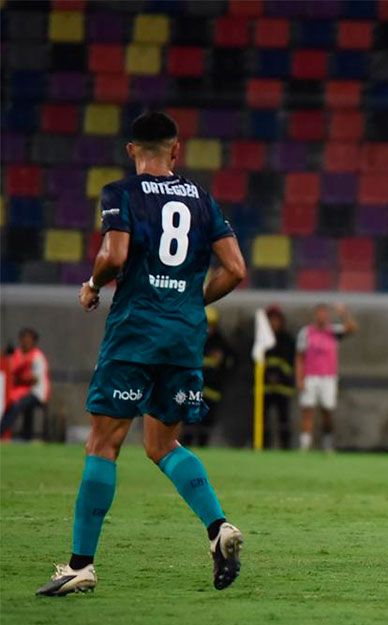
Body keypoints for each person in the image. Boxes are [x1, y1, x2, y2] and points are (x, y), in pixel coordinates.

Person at [37, 112, 246, 596]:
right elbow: (235, 269)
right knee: (161, 445)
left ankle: (80, 565)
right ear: (176, 150)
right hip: (184, 337)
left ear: (132, 150)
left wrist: (92, 285)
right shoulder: (202, 199)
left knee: (103, 444)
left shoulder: (121, 193)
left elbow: (114, 255)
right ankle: (218, 528)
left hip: (136, 333)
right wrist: (190, 301)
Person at [296, 303, 358, 453]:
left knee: (327, 411)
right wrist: (299, 378)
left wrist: (344, 314)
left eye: (324, 313)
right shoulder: (306, 332)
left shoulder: (334, 331)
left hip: (328, 378)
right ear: (315, 315)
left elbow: (353, 329)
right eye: (319, 313)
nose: (322, 316)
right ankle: (304, 445)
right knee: (307, 409)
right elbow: (299, 357)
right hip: (310, 376)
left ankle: (327, 442)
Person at [182, 307, 234, 448]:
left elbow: (230, 365)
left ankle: (202, 447)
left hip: (212, 392)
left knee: (206, 424)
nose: (208, 328)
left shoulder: (222, 344)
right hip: (192, 390)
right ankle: (185, 447)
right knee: (188, 424)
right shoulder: (192, 340)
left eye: (211, 324)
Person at [0, 328, 51, 440]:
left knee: (16, 406)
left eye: (29, 340)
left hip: (37, 393)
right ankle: (24, 436)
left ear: (34, 342)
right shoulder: (18, 354)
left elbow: (34, 380)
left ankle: (2, 432)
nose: (25, 342)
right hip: (22, 391)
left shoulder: (37, 356)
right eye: (23, 339)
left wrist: (19, 379)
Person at [263, 306, 296, 450]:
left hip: (283, 387)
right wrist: (268, 376)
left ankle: (285, 446)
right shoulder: (261, 340)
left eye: (276, 319)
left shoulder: (287, 340)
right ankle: (262, 445)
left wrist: (279, 377)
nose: (273, 323)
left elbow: (290, 364)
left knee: (284, 417)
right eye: (270, 319)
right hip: (264, 387)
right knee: (261, 418)